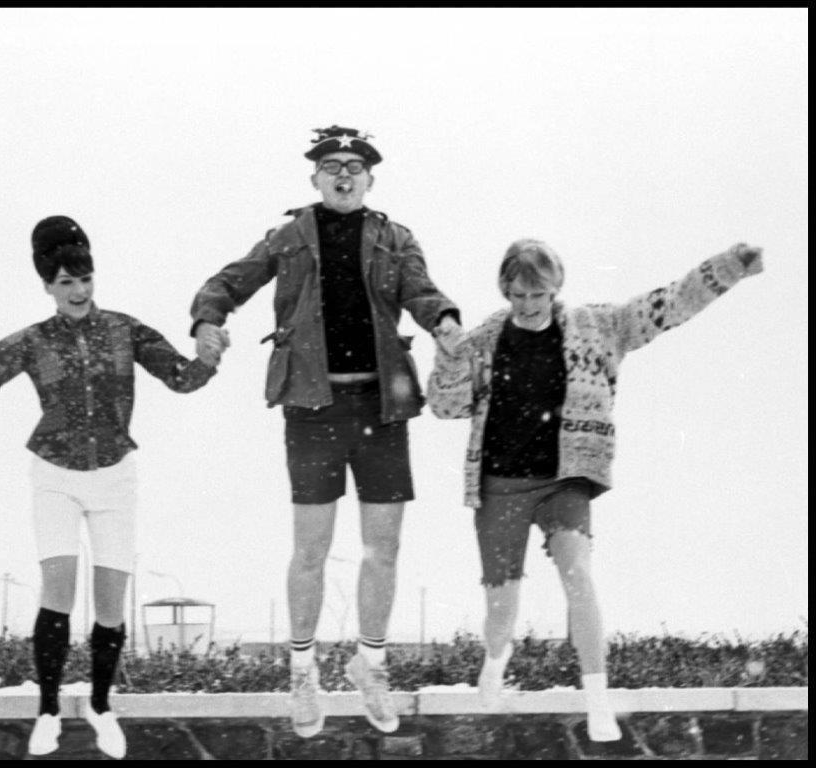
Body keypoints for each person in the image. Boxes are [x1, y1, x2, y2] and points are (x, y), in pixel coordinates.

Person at [0, 216, 217, 759]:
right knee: (59, 588)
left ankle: (101, 705)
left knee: (109, 603)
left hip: (116, 476)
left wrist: (209, 360)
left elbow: (180, 377)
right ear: (48, 287)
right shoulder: (33, 341)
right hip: (54, 473)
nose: (78, 291)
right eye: (66, 283)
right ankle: (48, 709)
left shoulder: (125, 330)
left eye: (85, 279)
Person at [427, 239, 763, 741]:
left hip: (565, 478)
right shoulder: (485, 339)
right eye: (517, 294)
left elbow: (667, 305)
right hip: (501, 485)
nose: (526, 304)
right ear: (506, 291)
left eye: (536, 294)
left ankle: (598, 699)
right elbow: (445, 406)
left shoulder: (597, 327)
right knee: (502, 609)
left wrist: (730, 266)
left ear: (555, 288)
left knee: (578, 575)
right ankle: (496, 660)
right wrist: (449, 359)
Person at [190, 126, 462, 737]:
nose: (344, 174)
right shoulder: (287, 237)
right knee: (310, 550)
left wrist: (445, 321)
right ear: (314, 177)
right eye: (332, 165)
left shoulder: (396, 238)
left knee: (382, 549)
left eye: (356, 166)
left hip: (382, 405)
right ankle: (302, 672)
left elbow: (421, 291)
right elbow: (225, 283)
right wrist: (208, 320)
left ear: (371, 178)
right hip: (312, 408)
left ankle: (370, 666)